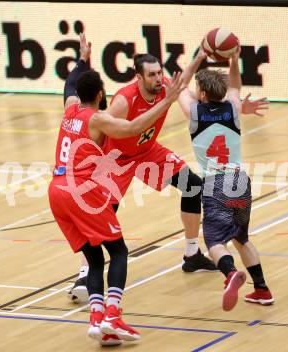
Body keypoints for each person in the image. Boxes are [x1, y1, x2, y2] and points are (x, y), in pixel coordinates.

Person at [49, 33, 186, 345]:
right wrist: (167, 100)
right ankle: (114, 314)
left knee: (95, 259)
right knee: (119, 251)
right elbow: (135, 128)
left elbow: (70, 83)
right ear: (100, 94)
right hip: (81, 191)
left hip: (55, 191)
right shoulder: (97, 119)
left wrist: (83, 57)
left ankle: (98, 321)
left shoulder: (70, 108)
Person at [68, 51, 220, 303]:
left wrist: (200, 54)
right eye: (152, 75)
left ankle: (192, 255)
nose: (158, 78)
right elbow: (100, 127)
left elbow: (184, 80)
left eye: (160, 72)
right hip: (116, 159)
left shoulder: (165, 89)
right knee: (99, 214)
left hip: (148, 152)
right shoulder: (124, 101)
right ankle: (84, 275)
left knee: (193, 186)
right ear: (138, 77)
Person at [177, 43, 274, 311]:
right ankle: (262, 289)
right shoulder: (233, 108)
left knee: (214, 242)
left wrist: (197, 58)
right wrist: (234, 59)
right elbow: (235, 85)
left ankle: (231, 273)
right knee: (241, 237)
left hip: (215, 184)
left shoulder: (194, 113)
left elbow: (180, 87)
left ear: (203, 93)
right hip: (240, 181)